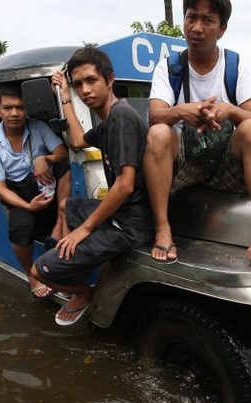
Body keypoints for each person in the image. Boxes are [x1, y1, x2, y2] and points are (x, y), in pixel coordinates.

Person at [144, 0, 251, 268]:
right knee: (158, 133)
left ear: (222, 29)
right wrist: (182, 112)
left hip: (226, 165)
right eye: (191, 18)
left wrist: (230, 111)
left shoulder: (238, 65)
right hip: (186, 166)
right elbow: (156, 116)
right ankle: (163, 229)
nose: (197, 28)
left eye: (207, 20)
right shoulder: (168, 68)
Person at [32, 47, 153, 326]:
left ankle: (82, 290)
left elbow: (124, 185)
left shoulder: (121, 117)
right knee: (65, 206)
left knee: (39, 271)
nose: (85, 90)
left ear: (109, 79)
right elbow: (77, 140)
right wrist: (65, 96)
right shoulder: (110, 118)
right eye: (78, 85)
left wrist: (85, 230)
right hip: (121, 213)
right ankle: (70, 264)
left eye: (91, 81)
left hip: (130, 224)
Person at [0, 83, 70, 299]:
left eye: (20, 108)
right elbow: (0, 188)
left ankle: (60, 223)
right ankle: (31, 274)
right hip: (20, 195)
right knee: (20, 228)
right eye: (8, 108)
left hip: (48, 188)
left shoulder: (39, 127)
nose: (15, 113)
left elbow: (62, 153)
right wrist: (28, 206)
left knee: (63, 167)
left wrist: (44, 159)